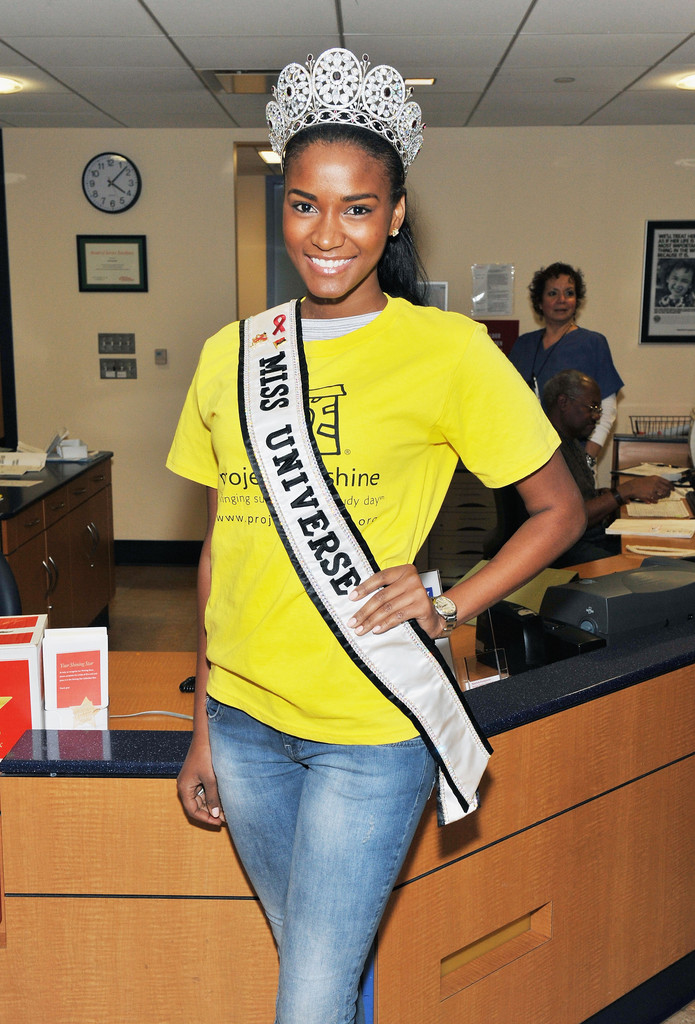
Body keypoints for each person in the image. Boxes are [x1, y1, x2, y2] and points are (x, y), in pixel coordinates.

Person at [167, 47, 585, 1024]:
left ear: (394, 214)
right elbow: (221, 549)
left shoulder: (448, 352)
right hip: (244, 723)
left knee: (307, 999)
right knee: (323, 967)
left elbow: (559, 510)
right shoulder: (232, 354)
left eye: (356, 207)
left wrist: (449, 602)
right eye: (304, 204)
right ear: (282, 207)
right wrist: (202, 728)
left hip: (371, 723)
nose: (327, 233)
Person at [544, 370, 674, 567]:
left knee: (660, 555)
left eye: (599, 409)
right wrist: (626, 490)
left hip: (588, 539)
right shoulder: (547, 449)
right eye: (592, 407)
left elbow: (576, 497)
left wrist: (602, 495)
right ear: (563, 402)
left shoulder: (569, 441)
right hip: (567, 551)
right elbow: (570, 518)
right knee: (647, 567)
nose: (597, 416)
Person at [508, 262, 624, 464]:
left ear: (576, 300)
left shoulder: (593, 343)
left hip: (574, 459)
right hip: (526, 457)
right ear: (540, 301)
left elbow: (606, 409)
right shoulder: (523, 345)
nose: (561, 300)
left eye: (569, 293)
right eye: (553, 293)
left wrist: (587, 459)